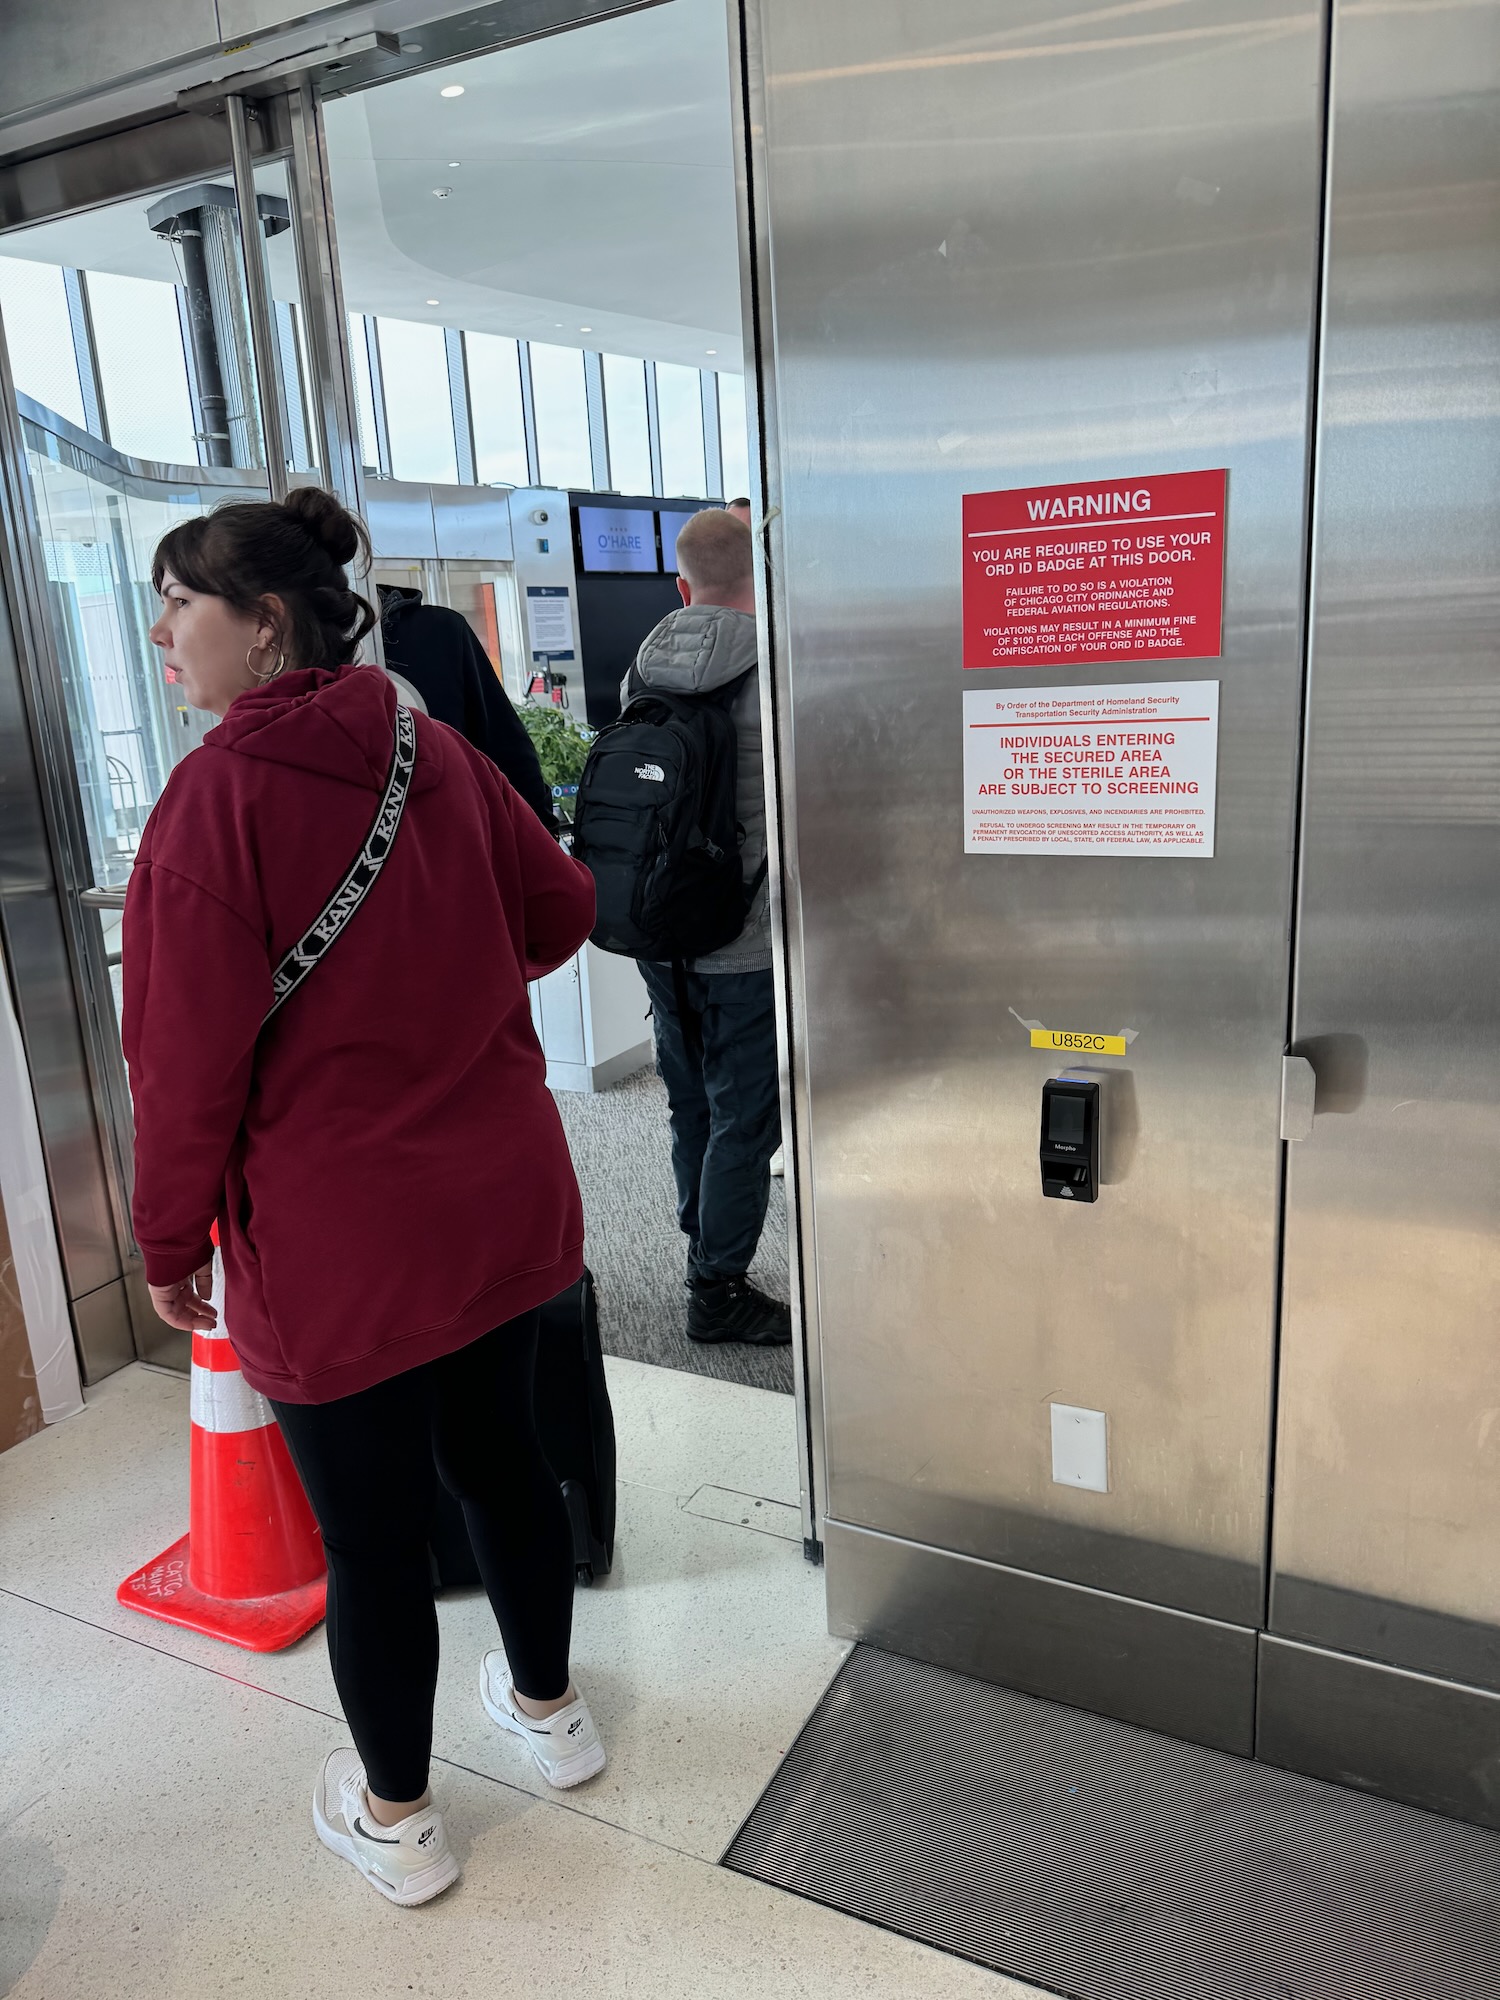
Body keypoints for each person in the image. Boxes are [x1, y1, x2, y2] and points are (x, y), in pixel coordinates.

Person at [124, 488, 604, 1908]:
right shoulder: (431, 742)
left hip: (341, 1248)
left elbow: (183, 1068)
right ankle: (552, 1715)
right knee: (508, 1463)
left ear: (263, 625)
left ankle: (397, 1819)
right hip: (498, 1203)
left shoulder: (212, 804)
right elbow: (563, 913)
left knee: (375, 1539)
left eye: (181, 605)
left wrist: (166, 1243)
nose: (161, 633)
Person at [622, 509, 790, 1347]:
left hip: (662, 932)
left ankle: (701, 1241)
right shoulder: (779, 673)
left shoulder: (640, 672)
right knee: (745, 1119)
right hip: (747, 941)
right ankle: (716, 1287)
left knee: (689, 1101)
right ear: (759, 579)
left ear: (680, 586)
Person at [378, 582, 558, 831]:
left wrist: (544, 846)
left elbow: (508, 756)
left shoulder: (436, 633)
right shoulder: (312, 660)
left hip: (455, 849)